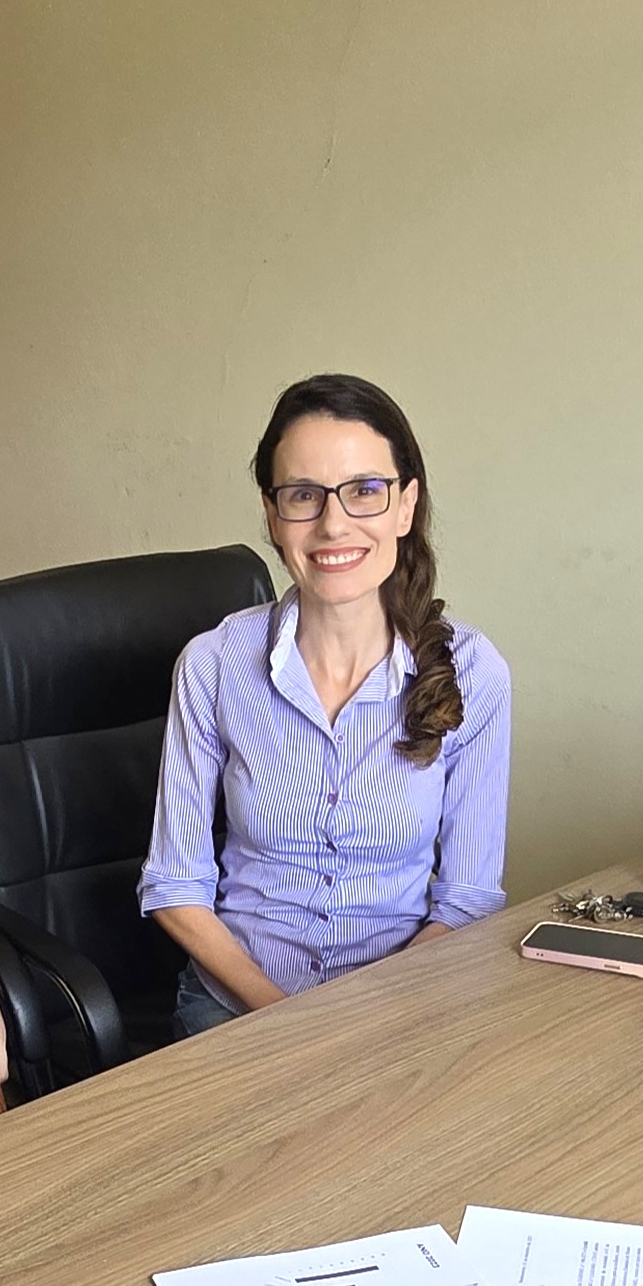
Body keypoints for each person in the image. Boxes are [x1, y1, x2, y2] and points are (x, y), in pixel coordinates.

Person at [140, 374, 510, 1038]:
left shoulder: (475, 673)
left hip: (402, 1010)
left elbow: (466, 900)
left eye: (364, 491)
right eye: (303, 495)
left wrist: (363, 1021)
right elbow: (175, 886)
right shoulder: (214, 665)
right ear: (272, 515)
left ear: (405, 506)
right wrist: (290, 1021)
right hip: (237, 1009)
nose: (332, 523)